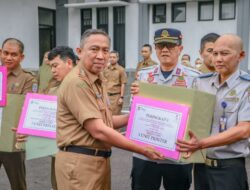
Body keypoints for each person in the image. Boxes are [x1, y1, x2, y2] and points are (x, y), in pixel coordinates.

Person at [55, 29, 164, 190]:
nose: (101, 56)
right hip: (80, 164)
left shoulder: (96, 80)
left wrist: (141, 115)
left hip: (97, 162)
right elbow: (99, 130)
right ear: (79, 52)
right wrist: (142, 149)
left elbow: (107, 121)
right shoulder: (78, 82)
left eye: (105, 50)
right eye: (94, 49)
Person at [177, 34, 250, 190]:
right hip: (201, 166)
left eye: (224, 53)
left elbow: (244, 130)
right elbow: (185, 113)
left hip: (229, 169)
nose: (218, 59)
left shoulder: (246, 87)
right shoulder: (201, 82)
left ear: (241, 55)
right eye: (214, 53)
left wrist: (201, 143)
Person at [130, 28, 200, 190]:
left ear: (180, 49)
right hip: (145, 153)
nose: (165, 50)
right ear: (155, 49)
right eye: (160, 46)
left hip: (177, 155)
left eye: (170, 45)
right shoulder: (143, 76)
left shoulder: (194, 78)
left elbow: (199, 114)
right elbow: (137, 111)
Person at [0, 38, 37, 190]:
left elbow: (28, 108)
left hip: (12, 138)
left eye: (14, 54)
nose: (8, 57)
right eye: (5, 53)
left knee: (18, 183)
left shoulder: (28, 78)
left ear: (22, 57)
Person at [103, 50, 127, 115]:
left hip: (116, 97)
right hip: (106, 96)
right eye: (110, 57)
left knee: (114, 117)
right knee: (106, 116)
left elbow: (123, 84)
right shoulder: (105, 69)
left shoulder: (121, 70)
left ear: (117, 58)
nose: (112, 59)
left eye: (114, 57)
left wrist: (121, 97)